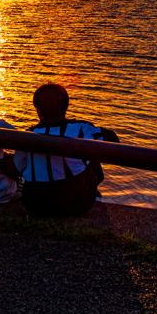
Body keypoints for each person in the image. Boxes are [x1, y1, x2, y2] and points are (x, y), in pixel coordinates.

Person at [14, 83, 119, 217]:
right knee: (92, 151)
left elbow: (19, 166)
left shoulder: (27, 135)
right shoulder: (81, 129)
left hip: (35, 204)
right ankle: (95, 193)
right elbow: (114, 141)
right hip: (78, 204)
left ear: (38, 110)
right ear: (66, 107)